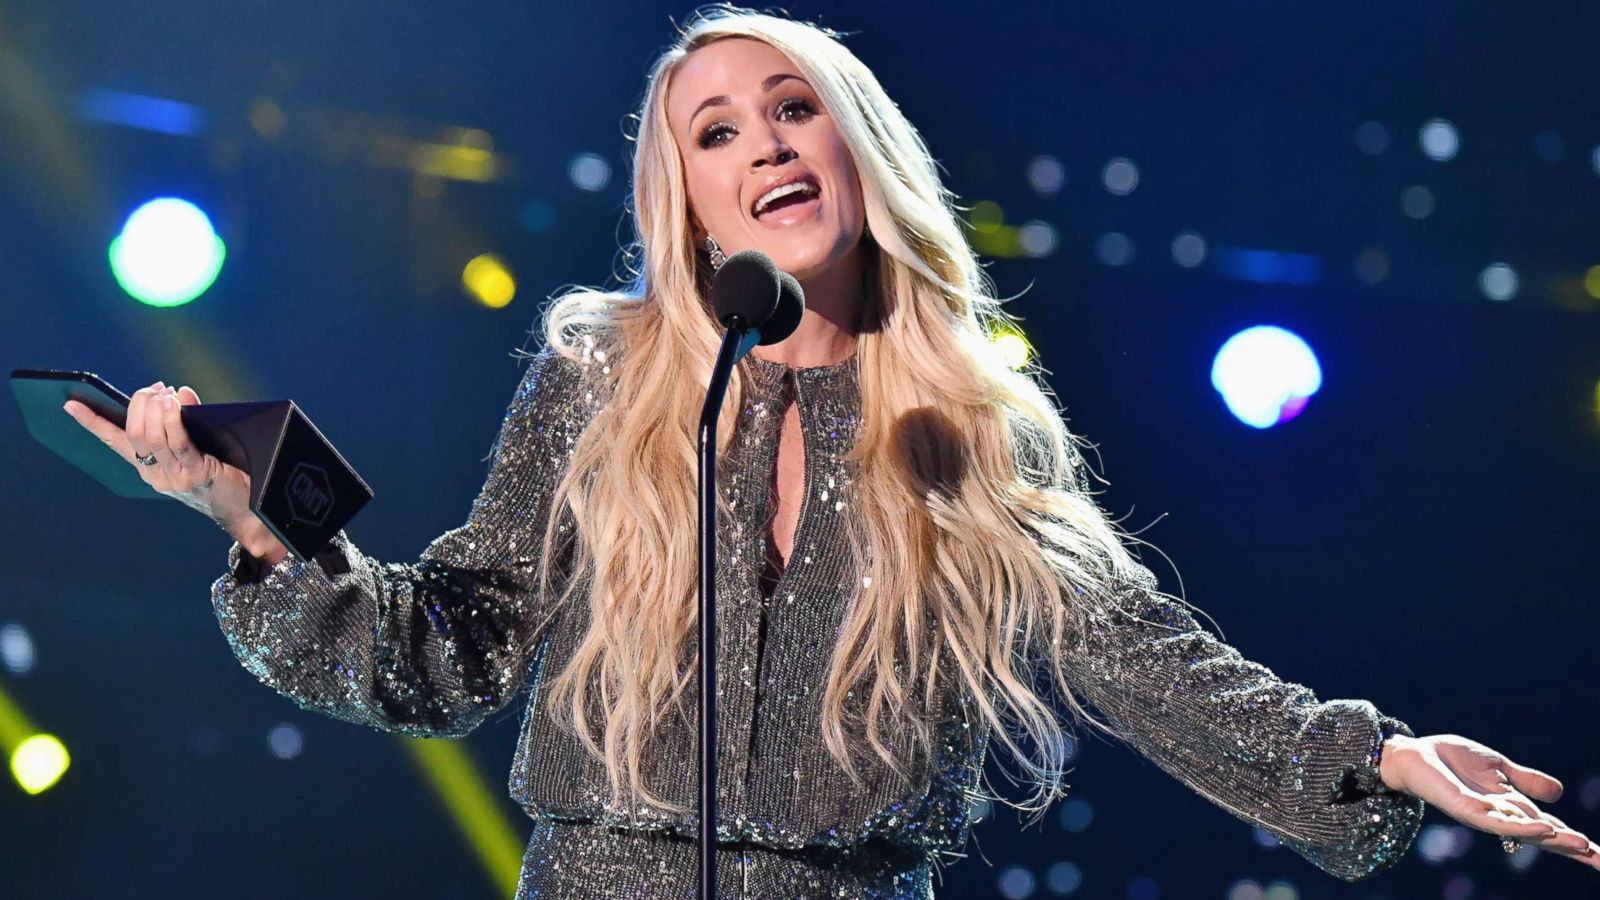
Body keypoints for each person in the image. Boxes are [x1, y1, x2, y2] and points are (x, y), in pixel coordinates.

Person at [62, 6, 1598, 897]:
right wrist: (259, 530)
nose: (766, 146)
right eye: (716, 135)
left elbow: (1143, 661)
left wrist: (1375, 751)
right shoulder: (606, 381)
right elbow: (443, 655)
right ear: (692, 204)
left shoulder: (964, 427)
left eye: (792, 109)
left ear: (857, 146)